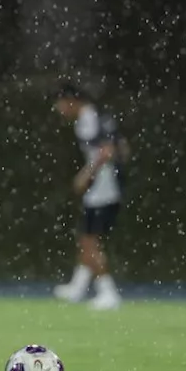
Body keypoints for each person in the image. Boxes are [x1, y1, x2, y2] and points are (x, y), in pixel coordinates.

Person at [51, 83, 128, 311]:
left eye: (61, 103)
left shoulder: (89, 119)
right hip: (108, 185)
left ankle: (108, 292)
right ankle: (78, 286)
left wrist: (87, 174)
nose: (59, 109)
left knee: (89, 240)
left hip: (104, 188)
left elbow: (107, 151)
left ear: (72, 101)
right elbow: (123, 147)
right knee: (87, 235)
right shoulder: (99, 117)